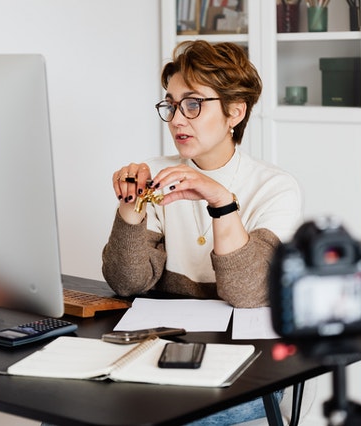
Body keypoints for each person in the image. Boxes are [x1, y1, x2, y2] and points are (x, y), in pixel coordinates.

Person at [102, 40, 302, 424]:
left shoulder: (275, 187)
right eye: (171, 104)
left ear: (235, 112)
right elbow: (127, 282)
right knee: (63, 410)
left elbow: (248, 294)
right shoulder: (156, 174)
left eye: (193, 103)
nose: (178, 119)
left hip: (250, 367)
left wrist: (221, 203)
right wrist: (130, 208)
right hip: (162, 353)